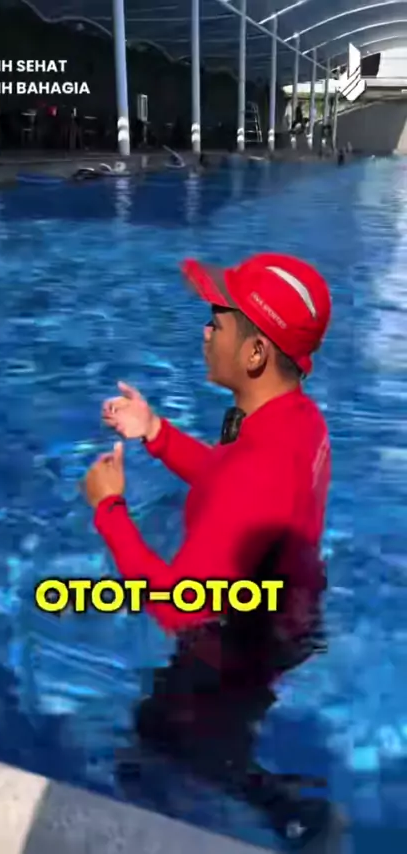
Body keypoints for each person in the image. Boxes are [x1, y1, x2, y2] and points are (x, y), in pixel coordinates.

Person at [81, 254, 335, 844]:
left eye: (217, 322)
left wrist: (108, 509)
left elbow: (178, 606)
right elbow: (228, 479)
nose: (205, 332)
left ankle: (299, 817)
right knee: (208, 736)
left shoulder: (261, 462)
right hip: (285, 613)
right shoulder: (295, 419)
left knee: (162, 739)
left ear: (255, 353)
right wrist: (155, 432)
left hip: (238, 639)